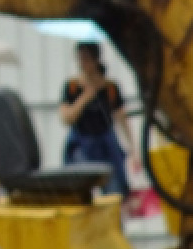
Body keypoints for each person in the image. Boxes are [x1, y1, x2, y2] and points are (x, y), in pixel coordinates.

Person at [59, 42, 139, 198]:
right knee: (79, 189)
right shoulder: (72, 87)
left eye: (86, 59)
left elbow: (122, 119)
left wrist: (133, 150)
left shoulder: (110, 88)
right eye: (80, 59)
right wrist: (85, 97)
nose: (83, 63)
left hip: (106, 143)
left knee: (114, 189)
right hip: (81, 143)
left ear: (96, 60)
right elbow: (66, 118)